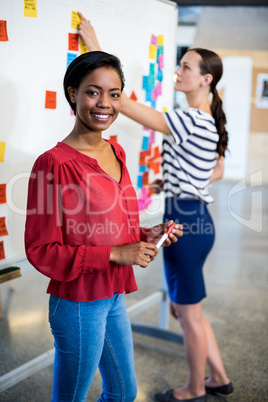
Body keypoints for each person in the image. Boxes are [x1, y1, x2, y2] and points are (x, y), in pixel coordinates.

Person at [78, 13, 234, 402]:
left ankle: (195, 388)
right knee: (187, 311)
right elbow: (218, 169)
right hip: (194, 215)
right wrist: (180, 182)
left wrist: (94, 46)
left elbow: (125, 104)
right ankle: (218, 378)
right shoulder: (205, 120)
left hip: (184, 222)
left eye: (186, 66)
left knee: (189, 313)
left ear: (205, 79)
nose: (178, 70)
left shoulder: (191, 120)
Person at [24, 51, 183, 402]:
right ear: (72, 94)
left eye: (114, 94)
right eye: (93, 92)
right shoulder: (54, 164)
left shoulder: (117, 151)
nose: (104, 104)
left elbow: (110, 224)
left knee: (124, 392)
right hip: (78, 302)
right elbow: (40, 249)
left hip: (112, 296)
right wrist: (115, 253)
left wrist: (147, 236)